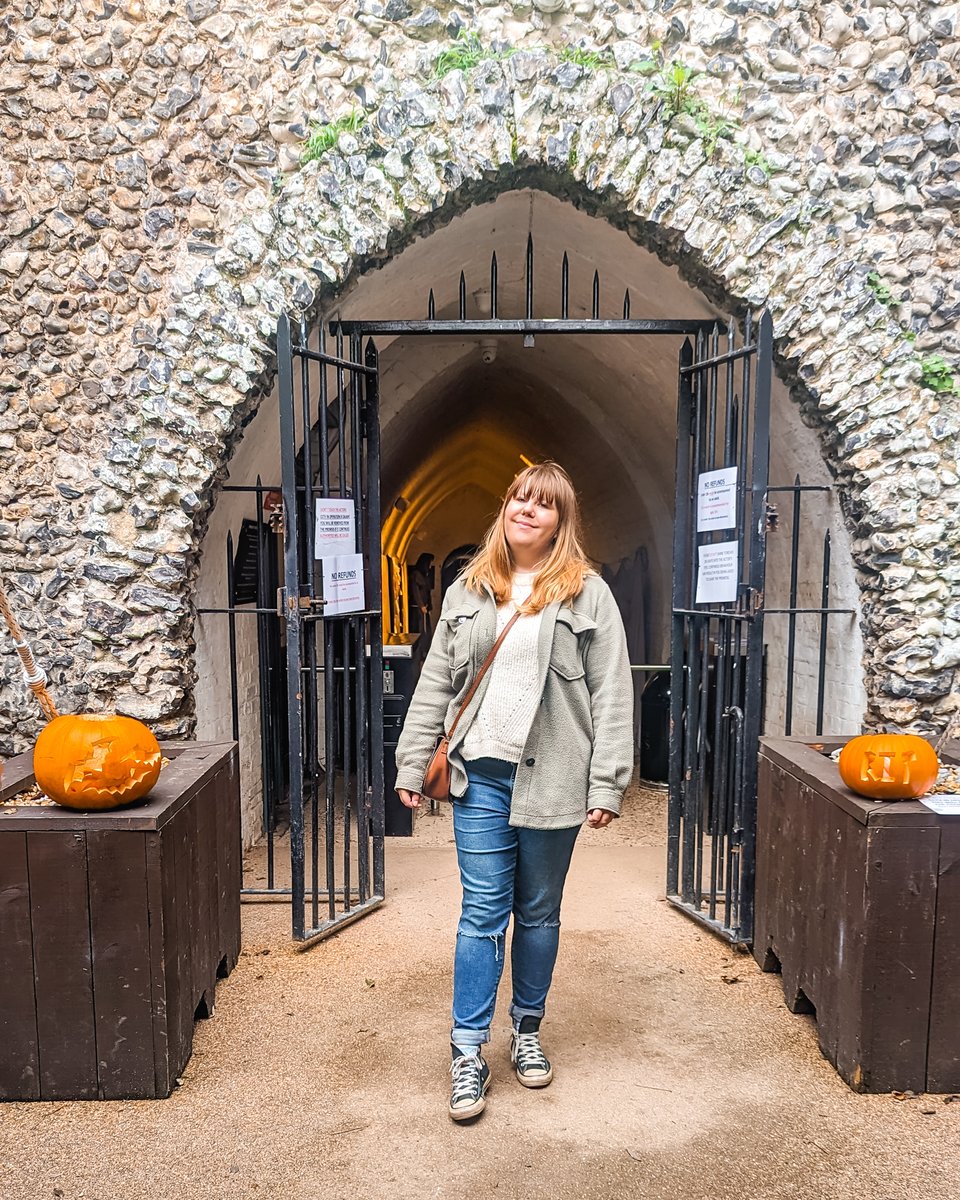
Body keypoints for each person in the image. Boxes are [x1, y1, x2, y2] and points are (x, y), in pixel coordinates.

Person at [394, 461, 634, 1122]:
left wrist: (608, 781)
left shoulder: (588, 594)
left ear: (561, 520)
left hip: (555, 774)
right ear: (505, 510)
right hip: (480, 775)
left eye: (543, 504)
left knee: (538, 911)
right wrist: (413, 763)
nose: (526, 510)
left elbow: (613, 694)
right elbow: (436, 683)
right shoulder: (468, 591)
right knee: (481, 912)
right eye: (518, 498)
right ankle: (467, 1050)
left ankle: (526, 1031)